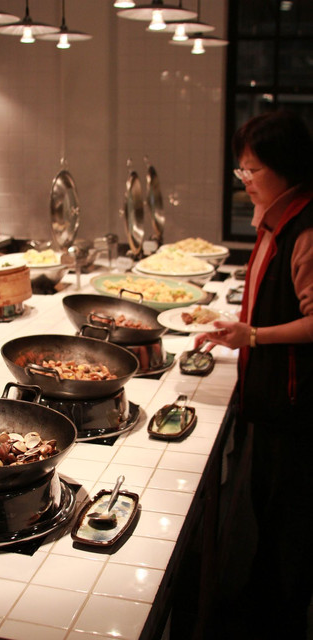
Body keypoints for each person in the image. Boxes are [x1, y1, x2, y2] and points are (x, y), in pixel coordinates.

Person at [195, 108, 313, 639]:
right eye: (240, 169)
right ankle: (258, 608)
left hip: (296, 408)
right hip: (269, 402)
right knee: (267, 511)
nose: (243, 180)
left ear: (287, 167)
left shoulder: (305, 229)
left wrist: (255, 336)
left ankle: (280, 622)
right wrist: (239, 329)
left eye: (252, 169)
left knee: (291, 525)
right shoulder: (275, 217)